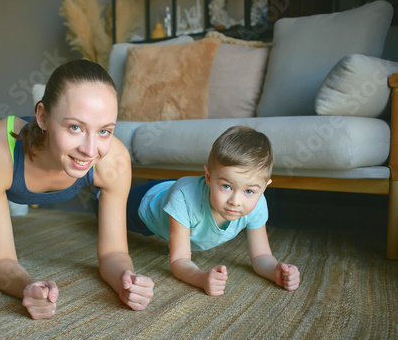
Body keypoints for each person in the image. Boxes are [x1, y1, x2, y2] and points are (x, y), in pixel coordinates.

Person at [0, 60, 154, 319]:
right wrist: (26, 286)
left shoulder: (113, 159)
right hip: (1, 152)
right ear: (41, 116)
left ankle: (59, 123)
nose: (90, 150)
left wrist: (125, 279)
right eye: (76, 127)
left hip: (46, 141)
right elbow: (0, 261)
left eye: (104, 130)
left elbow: (113, 252)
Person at [126, 126, 300, 296]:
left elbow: (261, 255)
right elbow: (179, 260)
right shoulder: (184, 199)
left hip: (181, 189)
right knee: (108, 207)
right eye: (226, 186)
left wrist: (275, 271)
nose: (235, 202)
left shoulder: (258, 204)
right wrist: (201, 278)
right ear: (208, 177)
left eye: (249, 191)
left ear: (263, 188)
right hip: (147, 203)